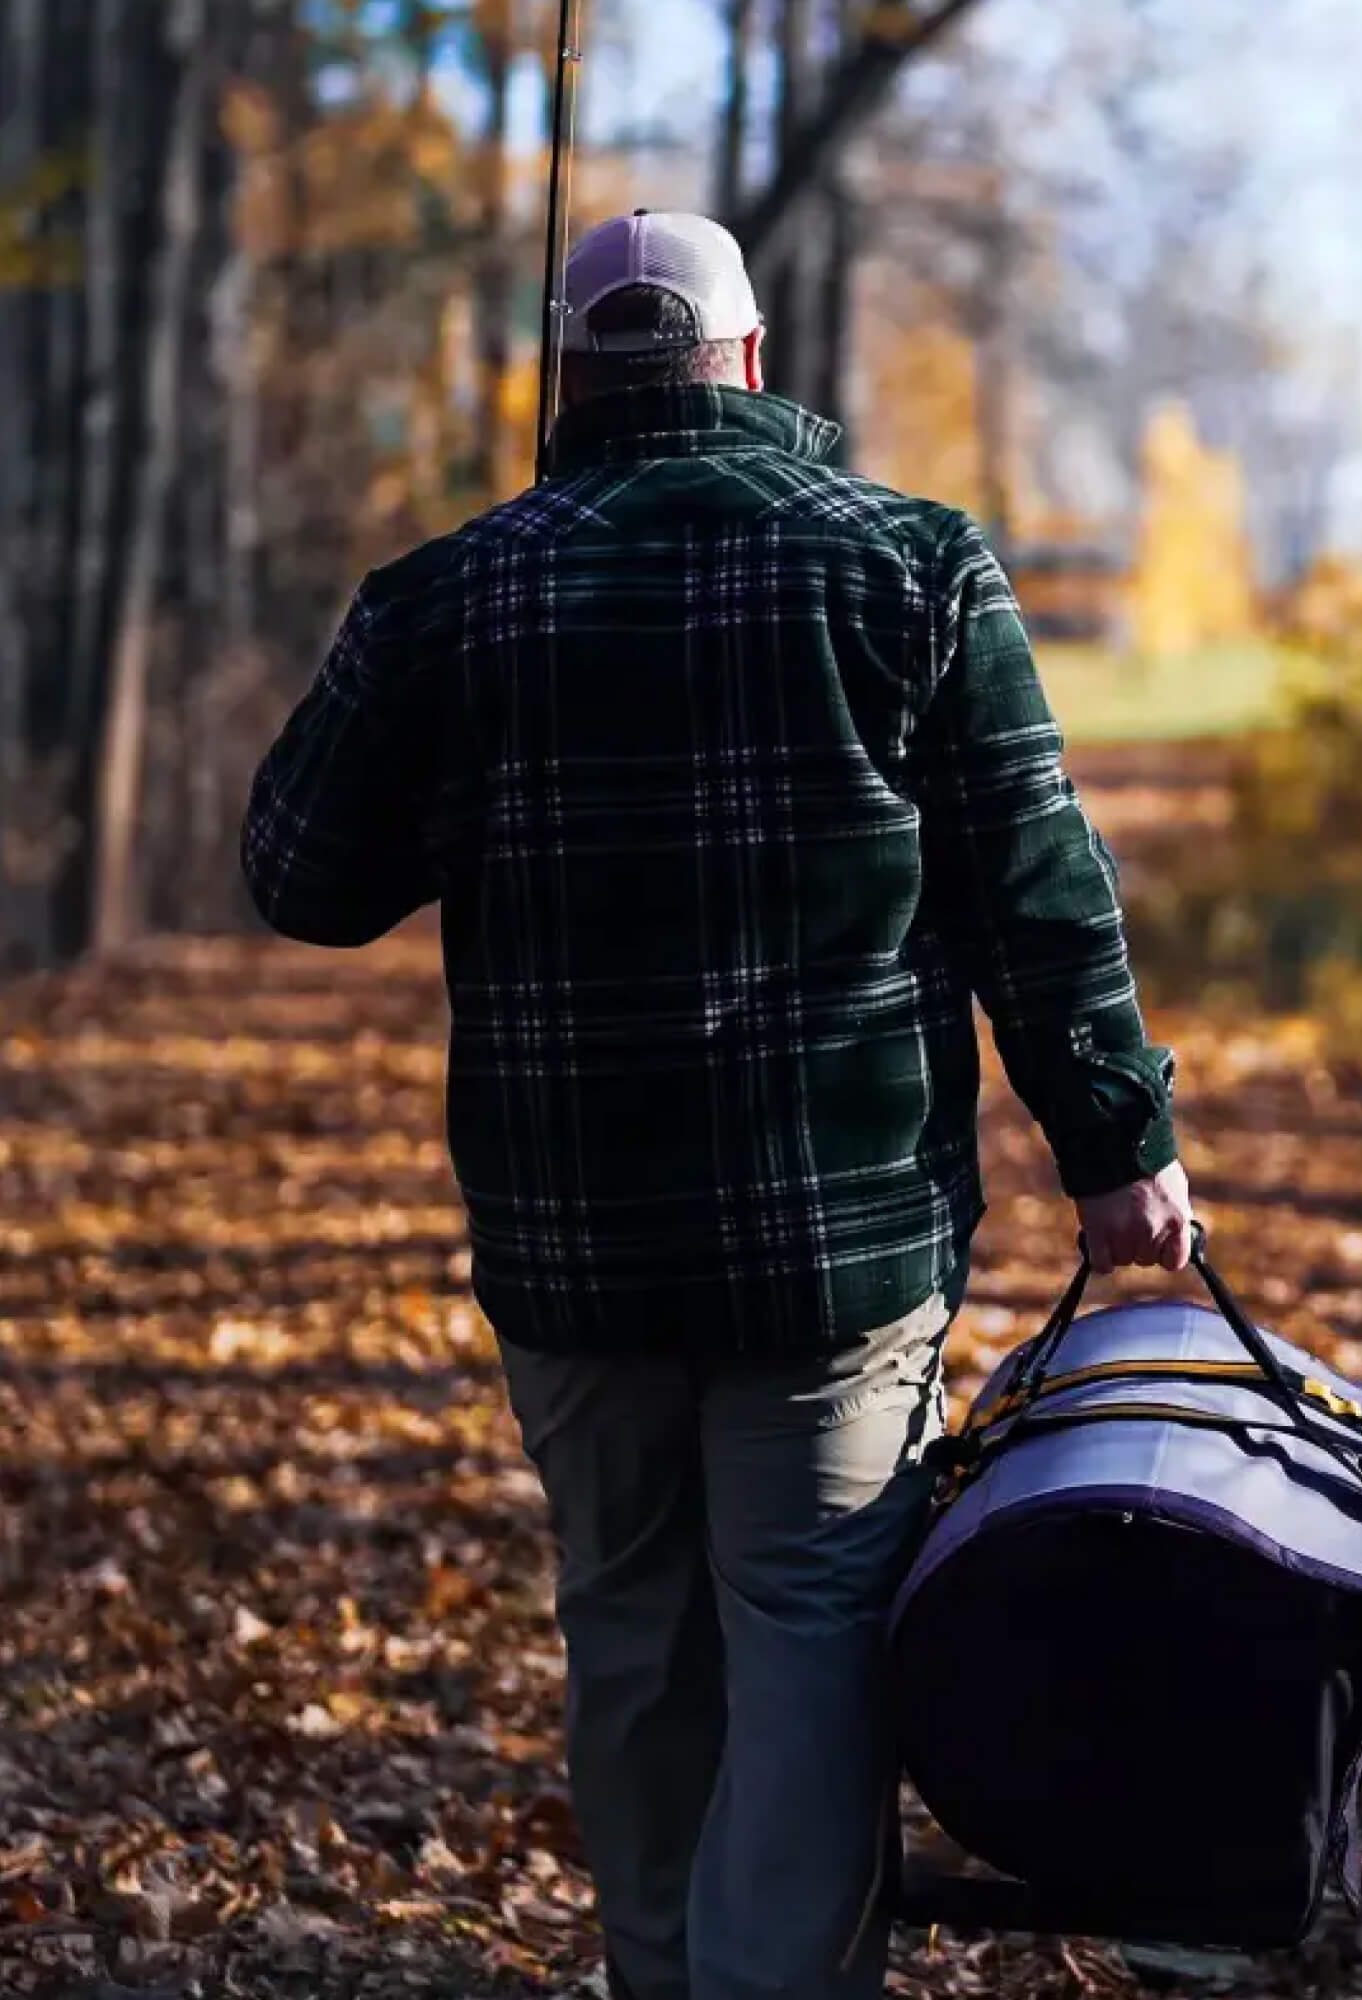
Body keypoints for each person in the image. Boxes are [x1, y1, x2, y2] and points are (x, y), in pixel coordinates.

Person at [241, 209, 1194, 2000]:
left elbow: (299, 874)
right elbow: (1037, 891)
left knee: (632, 1638)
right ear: (752, 362)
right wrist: (1119, 1149)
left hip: (571, 1246)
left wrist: (463, 723)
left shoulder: (450, 596)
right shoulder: (915, 568)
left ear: (574, 375)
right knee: (814, 1635)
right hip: (832, 1253)